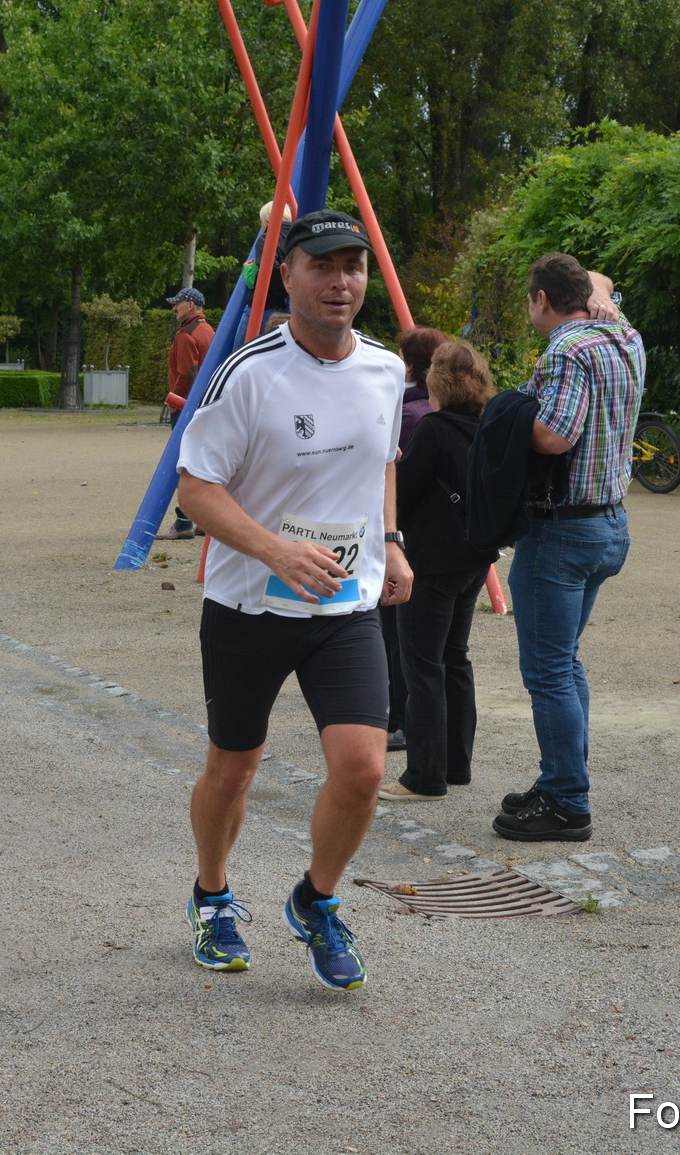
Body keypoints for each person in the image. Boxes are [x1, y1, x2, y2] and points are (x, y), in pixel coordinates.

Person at [176, 209, 411, 992]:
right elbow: (195, 488)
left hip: (344, 607)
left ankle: (316, 899)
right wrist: (275, 549)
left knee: (363, 769)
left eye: (354, 265)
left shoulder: (385, 369)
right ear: (289, 276)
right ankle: (212, 894)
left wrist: (394, 538)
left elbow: (383, 461)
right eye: (322, 265)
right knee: (234, 766)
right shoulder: (249, 373)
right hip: (250, 607)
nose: (341, 281)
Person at [495, 253, 644, 843]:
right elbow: (598, 282)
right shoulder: (623, 332)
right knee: (566, 661)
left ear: (540, 300)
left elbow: (555, 436)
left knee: (549, 670)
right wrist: (601, 292)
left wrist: (502, 417)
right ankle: (563, 776)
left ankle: (566, 800)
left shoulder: (566, 349)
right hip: (610, 525)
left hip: (561, 532)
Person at [379, 340, 500, 800]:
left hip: (431, 562)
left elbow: (402, 495)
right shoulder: (486, 426)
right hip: (473, 559)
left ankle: (424, 776)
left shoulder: (432, 429)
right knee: (455, 658)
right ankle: (456, 764)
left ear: (438, 382)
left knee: (421, 665)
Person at [381, 327, 450, 754]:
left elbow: (399, 483)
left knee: (400, 637)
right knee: (447, 652)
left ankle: (400, 720)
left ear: (409, 365)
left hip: (408, 539)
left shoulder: (408, 415)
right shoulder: (440, 411)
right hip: (444, 541)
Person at [158, 287, 215, 539]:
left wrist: (175, 400)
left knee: (183, 463)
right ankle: (205, 520)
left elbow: (186, 373)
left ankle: (183, 522)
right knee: (203, 463)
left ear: (190, 305)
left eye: (177, 303)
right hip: (207, 405)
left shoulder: (185, 334)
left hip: (186, 407)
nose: (174, 308)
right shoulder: (209, 331)